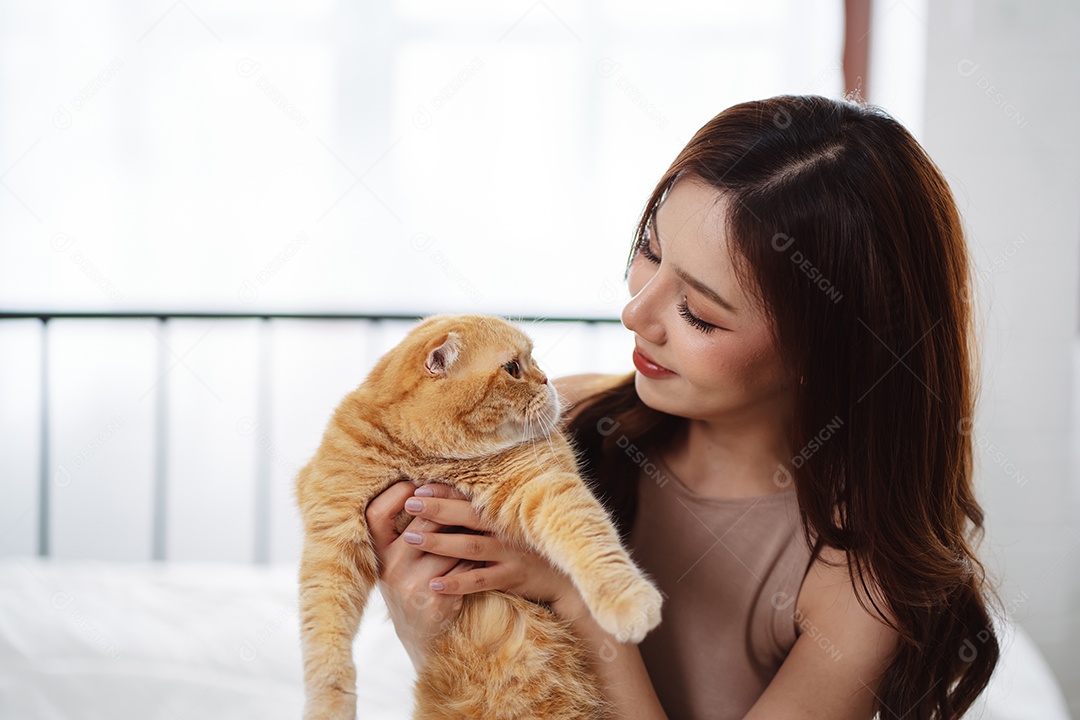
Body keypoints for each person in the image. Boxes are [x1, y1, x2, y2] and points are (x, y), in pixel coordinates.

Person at [366, 94, 1002, 719]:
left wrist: (581, 594)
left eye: (698, 313)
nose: (634, 313)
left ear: (828, 351)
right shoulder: (571, 420)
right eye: (650, 251)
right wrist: (425, 616)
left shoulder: (856, 582)